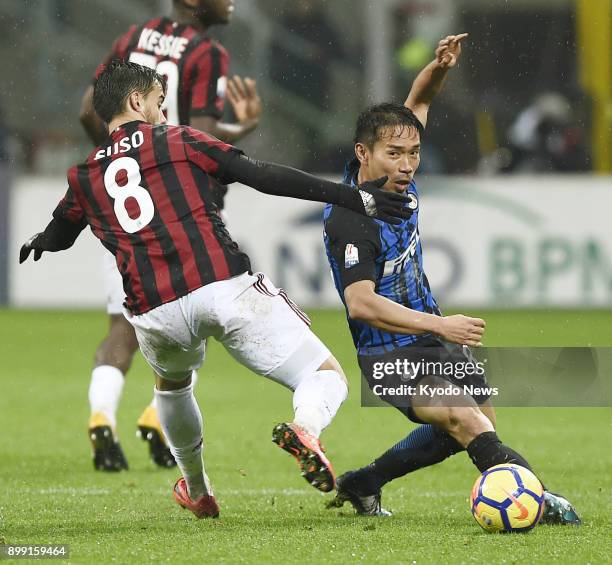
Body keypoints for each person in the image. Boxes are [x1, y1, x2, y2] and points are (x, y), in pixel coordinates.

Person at [20, 61, 411, 518]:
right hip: (221, 286)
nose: (163, 113)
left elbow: (62, 232)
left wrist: (41, 242)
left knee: (171, 386)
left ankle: (197, 488)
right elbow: (261, 175)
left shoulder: (83, 174)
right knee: (324, 376)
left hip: (153, 310)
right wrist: (355, 197)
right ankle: (305, 429)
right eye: (158, 104)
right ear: (135, 102)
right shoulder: (178, 139)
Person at [322, 35, 580, 525]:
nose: (407, 165)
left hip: (430, 338)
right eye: (394, 154)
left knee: (474, 421)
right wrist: (441, 326)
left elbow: (418, 100)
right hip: (387, 352)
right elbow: (360, 303)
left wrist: (440, 67)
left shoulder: (399, 171)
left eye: (413, 154)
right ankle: (540, 502)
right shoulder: (349, 219)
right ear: (363, 153)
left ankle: (364, 482)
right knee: (465, 419)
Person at [79, 0, 263, 472]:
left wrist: (120, 163)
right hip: (178, 208)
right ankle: (157, 416)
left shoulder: (133, 36)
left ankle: (102, 416)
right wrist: (237, 132)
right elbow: (194, 136)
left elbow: (87, 112)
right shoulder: (207, 52)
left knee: (122, 324)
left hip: (125, 204)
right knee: (197, 315)